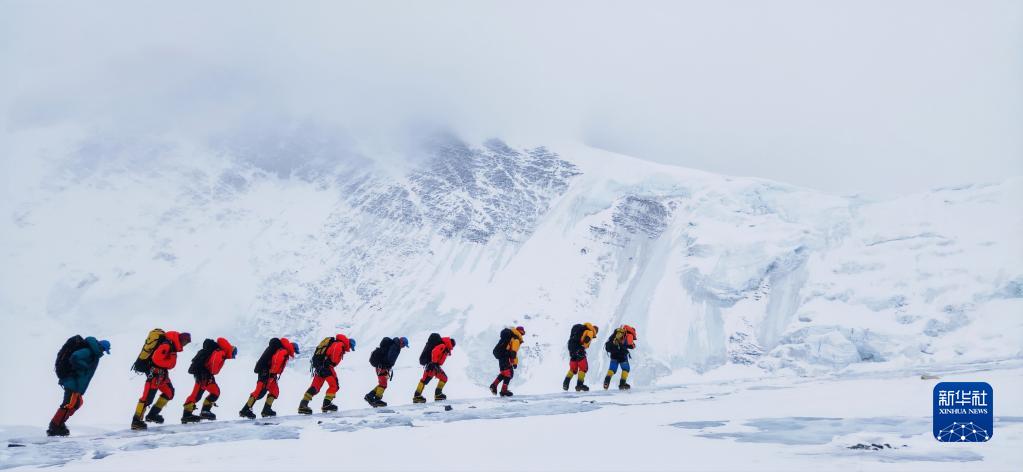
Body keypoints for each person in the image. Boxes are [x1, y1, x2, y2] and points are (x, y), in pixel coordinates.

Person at [49, 336, 110, 436]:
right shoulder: (89, 351)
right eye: (104, 349)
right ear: (101, 347)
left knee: (77, 403)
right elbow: (75, 357)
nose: (103, 352)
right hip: (72, 380)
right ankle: (54, 426)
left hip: (76, 383)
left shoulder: (93, 353)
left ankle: (60, 423)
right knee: (69, 403)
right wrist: (85, 367)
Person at [132, 331, 191, 430]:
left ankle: (152, 415)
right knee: (147, 398)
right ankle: (136, 421)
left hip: (161, 375)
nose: (185, 344)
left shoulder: (172, 346)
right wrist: (170, 363)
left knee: (169, 392)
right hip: (155, 374)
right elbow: (156, 359)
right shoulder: (167, 345)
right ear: (181, 339)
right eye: (185, 342)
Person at [181, 337, 236, 423]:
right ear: (231, 350)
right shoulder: (220, 352)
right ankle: (205, 411)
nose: (233, 356)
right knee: (215, 392)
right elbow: (214, 363)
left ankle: (187, 414)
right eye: (234, 353)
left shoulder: (219, 351)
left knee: (196, 394)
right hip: (206, 374)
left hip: (201, 372)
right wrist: (212, 372)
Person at [240, 337, 298, 419]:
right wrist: (272, 373)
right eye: (295, 351)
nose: (294, 353)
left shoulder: (283, 350)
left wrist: (273, 374)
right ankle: (245, 410)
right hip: (267, 372)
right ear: (293, 348)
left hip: (270, 373)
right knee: (259, 391)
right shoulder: (283, 351)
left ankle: (266, 410)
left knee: (274, 391)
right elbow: (276, 360)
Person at [298, 334, 355, 415]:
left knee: (315, 387)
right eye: (351, 347)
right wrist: (332, 362)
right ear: (349, 344)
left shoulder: (336, 343)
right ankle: (326, 404)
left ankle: (303, 405)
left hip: (319, 367)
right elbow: (334, 356)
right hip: (327, 367)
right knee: (334, 385)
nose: (349, 349)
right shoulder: (340, 344)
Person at [365, 336, 408, 407]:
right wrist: (388, 366)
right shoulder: (395, 346)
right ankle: (377, 399)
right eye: (404, 345)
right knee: (383, 384)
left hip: (381, 366)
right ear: (401, 342)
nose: (403, 347)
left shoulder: (394, 345)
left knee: (382, 383)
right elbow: (390, 358)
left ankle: (370, 396)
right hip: (382, 367)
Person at [413, 336, 455, 403]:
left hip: (433, 366)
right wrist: (434, 363)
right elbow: (434, 351)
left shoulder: (444, 346)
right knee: (425, 380)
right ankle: (418, 396)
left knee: (428, 380)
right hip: (432, 366)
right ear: (451, 344)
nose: (452, 348)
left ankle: (436, 395)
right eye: (453, 346)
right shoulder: (443, 345)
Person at [489, 326, 525, 397]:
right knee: (509, 373)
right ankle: (503, 390)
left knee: (504, 372)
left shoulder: (510, 336)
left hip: (501, 355)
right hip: (505, 356)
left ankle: (494, 385)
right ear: (521, 332)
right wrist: (514, 363)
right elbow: (513, 352)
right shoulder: (516, 339)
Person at [563, 323, 598, 391]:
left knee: (573, 368)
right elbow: (586, 340)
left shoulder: (582, 329)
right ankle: (579, 385)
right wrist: (583, 347)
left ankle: (565, 383)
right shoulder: (590, 332)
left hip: (571, 348)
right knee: (583, 367)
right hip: (579, 348)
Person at [603, 325, 637, 390]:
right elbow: (631, 345)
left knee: (612, 369)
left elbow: (610, 341)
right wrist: (632, 345)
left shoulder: (617, 332)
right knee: (625, 369)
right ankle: (622, 384)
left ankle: (607, 381)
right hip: (622, 355)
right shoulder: (629, 335)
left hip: (613, 354)